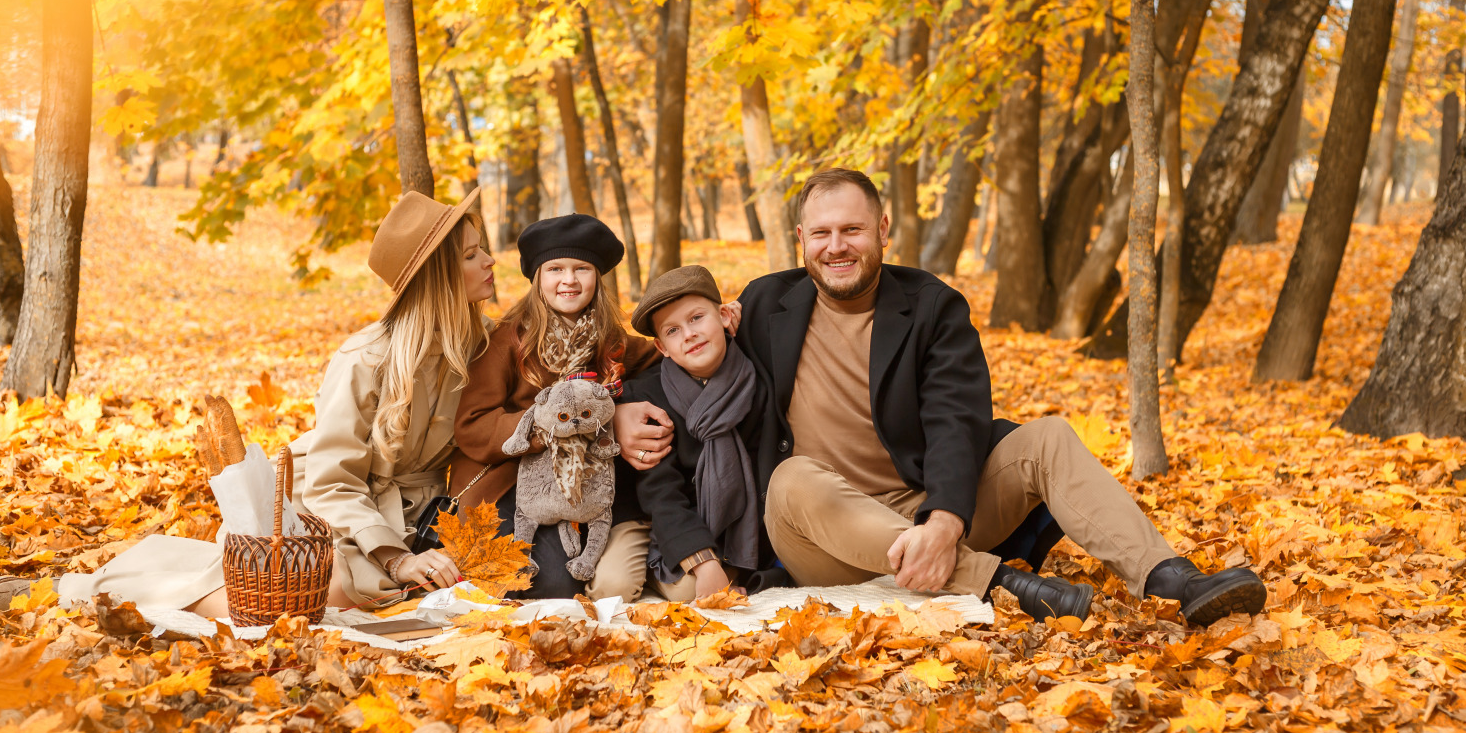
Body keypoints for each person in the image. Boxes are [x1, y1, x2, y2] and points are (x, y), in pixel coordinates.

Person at [633, 168, 1266, 627]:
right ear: (801, 239)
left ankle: (1173, 581)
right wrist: (618, 408)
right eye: (821, 233)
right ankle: (1004, 585)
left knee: (1045, 438)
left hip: (923, 508)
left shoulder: (931, 305)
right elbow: (667, 348)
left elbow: (957, 418)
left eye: (852, 229)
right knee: (793, 478)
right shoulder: (767, 303)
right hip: (820, 536)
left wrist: (945, 519)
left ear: (883, 227)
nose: (837, 247)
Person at [0, 190, 498, 615]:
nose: (491, 262)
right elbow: (335, 482)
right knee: (319, 596)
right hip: (326, 511)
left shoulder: (481, 347)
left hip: (414, 517)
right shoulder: (366, 359)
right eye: (473, 255)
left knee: (379, 595)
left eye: (482, 249)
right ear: (439, 278)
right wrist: (396, 556)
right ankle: (82, 591)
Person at [448, 214, 660, 599]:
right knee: (549, 583)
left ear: (597, 278)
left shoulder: (609, 341)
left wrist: (620, 408)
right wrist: (544, 428)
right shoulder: (508, 340)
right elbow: (472, 423)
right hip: (511, 482)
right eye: (556, 269)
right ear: (537, 278)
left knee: (568, 577)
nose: (569, 280)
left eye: (582, 268)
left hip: (579, 489)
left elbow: (662, 357)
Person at [589, 265, 788, 603]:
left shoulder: (756, 381)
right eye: (673, 330)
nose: (689, 334)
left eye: (697, 318)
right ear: (662, 348)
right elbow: (659, 491)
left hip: (720, 516)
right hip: (647, 512)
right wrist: (701, 558)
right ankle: (662, 558)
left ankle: (677, 563)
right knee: (612, 588)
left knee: (686, 591)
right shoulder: (647, 397)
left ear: (725, 316)